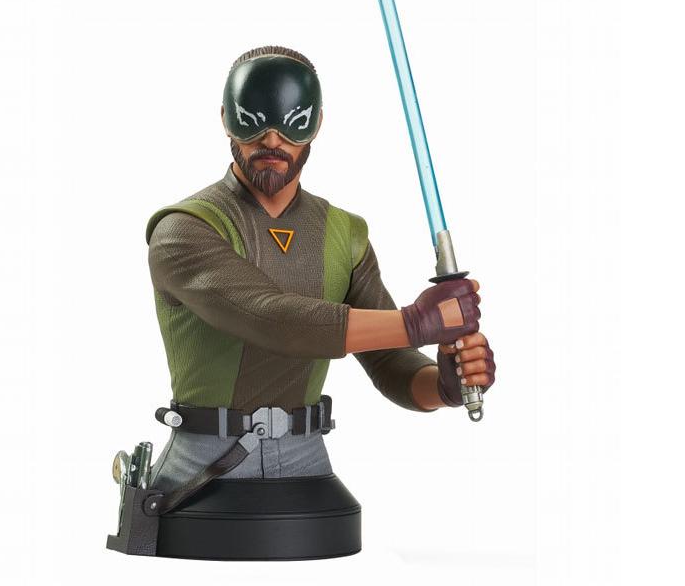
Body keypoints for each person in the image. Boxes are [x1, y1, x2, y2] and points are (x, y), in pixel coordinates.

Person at [143, 45, 495, 547]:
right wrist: (417, 322)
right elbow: (271, 319)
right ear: (225, 119)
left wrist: (443, 385)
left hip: (309, 466)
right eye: (253, 121)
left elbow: (391, 360)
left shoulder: (343, 234)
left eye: (292, 124)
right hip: (203, 471)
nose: (271, 139)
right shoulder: (184, 229)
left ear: (317, 124)